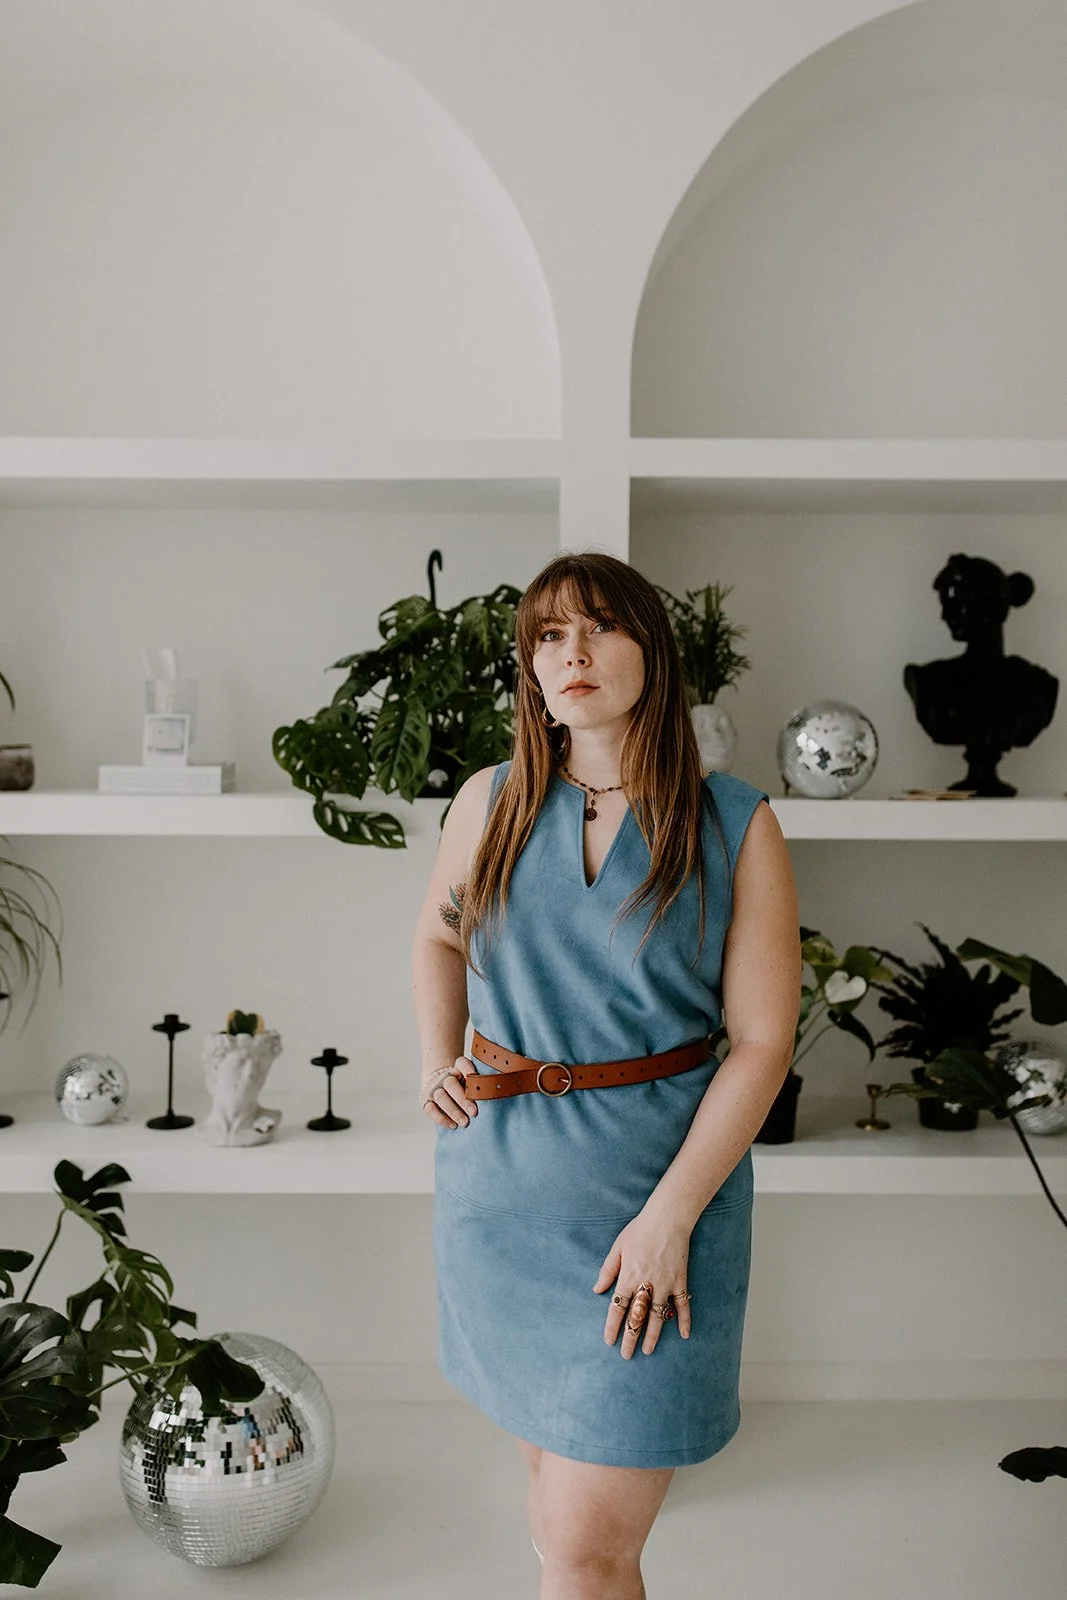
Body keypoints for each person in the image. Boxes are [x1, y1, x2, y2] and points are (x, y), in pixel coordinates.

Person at [411, 551, 800, 1600]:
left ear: (651, 654)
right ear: (529, 668)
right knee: (559, 1526)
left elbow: (762, 1041)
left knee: (587, 1547)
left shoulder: (733, 820)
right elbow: (437, 940)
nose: (570, 652)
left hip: (655, 1213)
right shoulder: (486, 801)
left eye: (598, 628)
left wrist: (670, 1216)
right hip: (500, 1207)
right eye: (547, 635)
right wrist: (435, 1057)